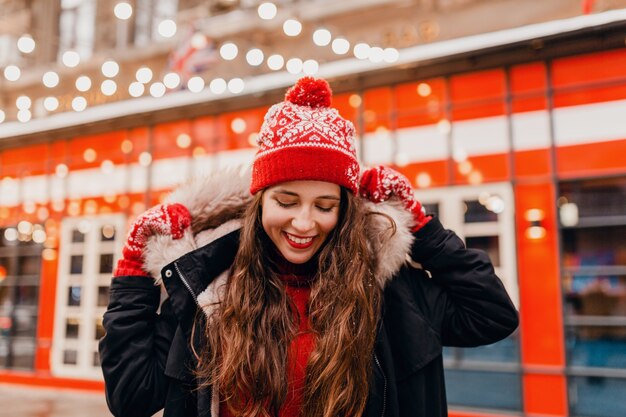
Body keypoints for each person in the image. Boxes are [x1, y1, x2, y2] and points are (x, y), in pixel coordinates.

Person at [100, 77, 519, 417]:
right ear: (258, 201)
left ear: (344, 211)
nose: (304, 223)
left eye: (324, 205)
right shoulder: (209, 293)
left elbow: (492, 315)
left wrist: (421, 227)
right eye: (286, 201)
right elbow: (131, 397)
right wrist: (133, 271)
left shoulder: (390, 292)